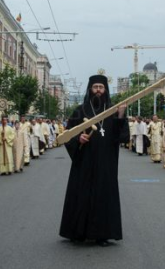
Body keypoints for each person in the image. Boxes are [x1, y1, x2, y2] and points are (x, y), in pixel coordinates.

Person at [60, 74, 129, 246]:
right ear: (90, 89)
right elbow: (67, 135)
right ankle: (78, 232)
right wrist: (78, 139)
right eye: (95, 87)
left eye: (101, 87)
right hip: (84, 161)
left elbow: (123, 138)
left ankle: (102, 234)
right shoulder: (80, 110)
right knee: (81, 193)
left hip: (105, 163)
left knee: (103, 195)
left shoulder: (114, 111)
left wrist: (121, 117)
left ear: (106, 90)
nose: (98, 90)